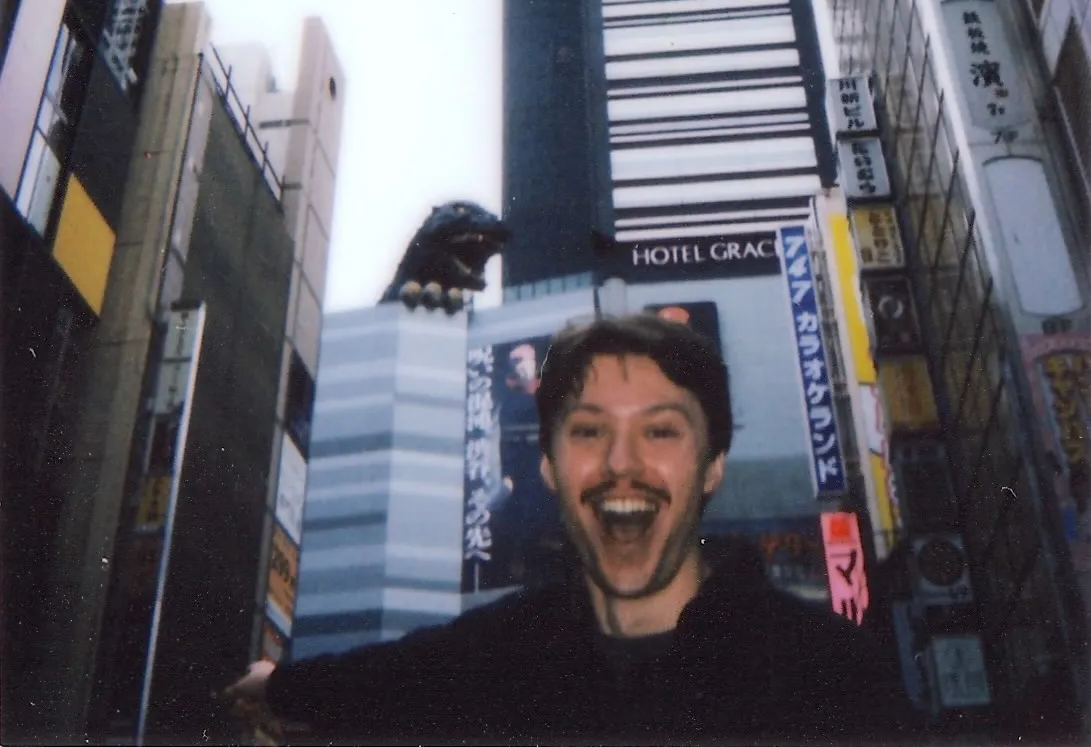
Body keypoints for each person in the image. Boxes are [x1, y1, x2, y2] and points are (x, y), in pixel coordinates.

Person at [223, 314, 914, 745]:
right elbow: (377, 679)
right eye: (588, 431)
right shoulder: (500, 656)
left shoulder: (828, 671)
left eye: (660, 430)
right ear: (550, 466)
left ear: (710, 466)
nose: (622, 464)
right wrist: (276, 686)